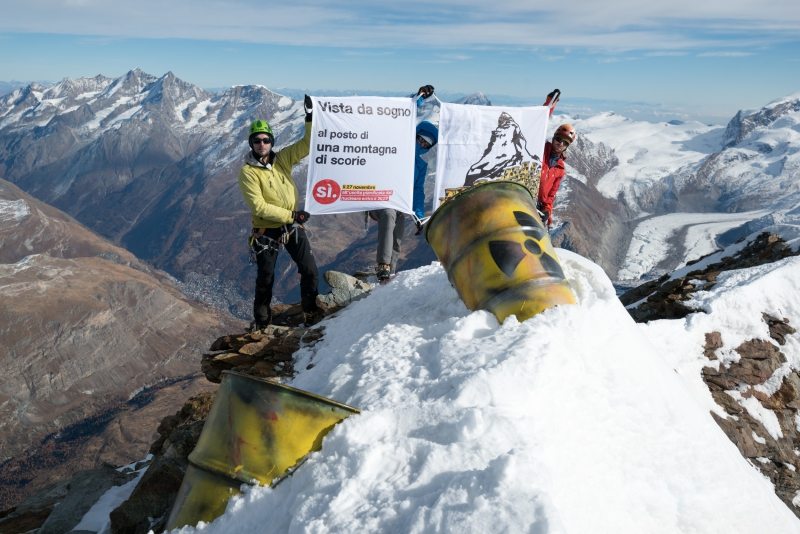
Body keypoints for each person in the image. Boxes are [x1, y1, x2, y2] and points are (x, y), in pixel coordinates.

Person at [238, 96, 323, 329]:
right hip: (268, 231)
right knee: (265, 278)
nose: (262, 144)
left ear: (271, 141)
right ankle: (263, 323)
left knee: (309, 270)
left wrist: (310, 116)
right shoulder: (248, 172)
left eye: (266, 140)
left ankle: (310, 312)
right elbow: (259, 207)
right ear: (251, 144)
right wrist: (293, 216)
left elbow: (307, 144)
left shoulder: (282, 159)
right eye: (257, 141)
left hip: (290, 227)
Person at [369, 117, 438, 282]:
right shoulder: (396, 149)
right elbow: (396, 116)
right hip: (378, 198)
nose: (422, 145)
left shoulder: (421, 165)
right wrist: (418, 99)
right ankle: (383, 265)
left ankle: (388, 273)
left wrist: (419, 216)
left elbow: (417, 190)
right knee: (389, 214)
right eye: (420, 140)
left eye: (426, 144)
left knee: (397, 232)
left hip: (399, 203)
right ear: (414, 136)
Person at [537, 123, 575, 229]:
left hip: (538, 206)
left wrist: (547, 210)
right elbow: (535, 127)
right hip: (525, 197)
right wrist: (548, 109)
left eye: (565, 143)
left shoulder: (560, 169)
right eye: (559, 139)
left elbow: (551, 195)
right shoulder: (540, 149)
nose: (561, 144)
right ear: (553, 138)